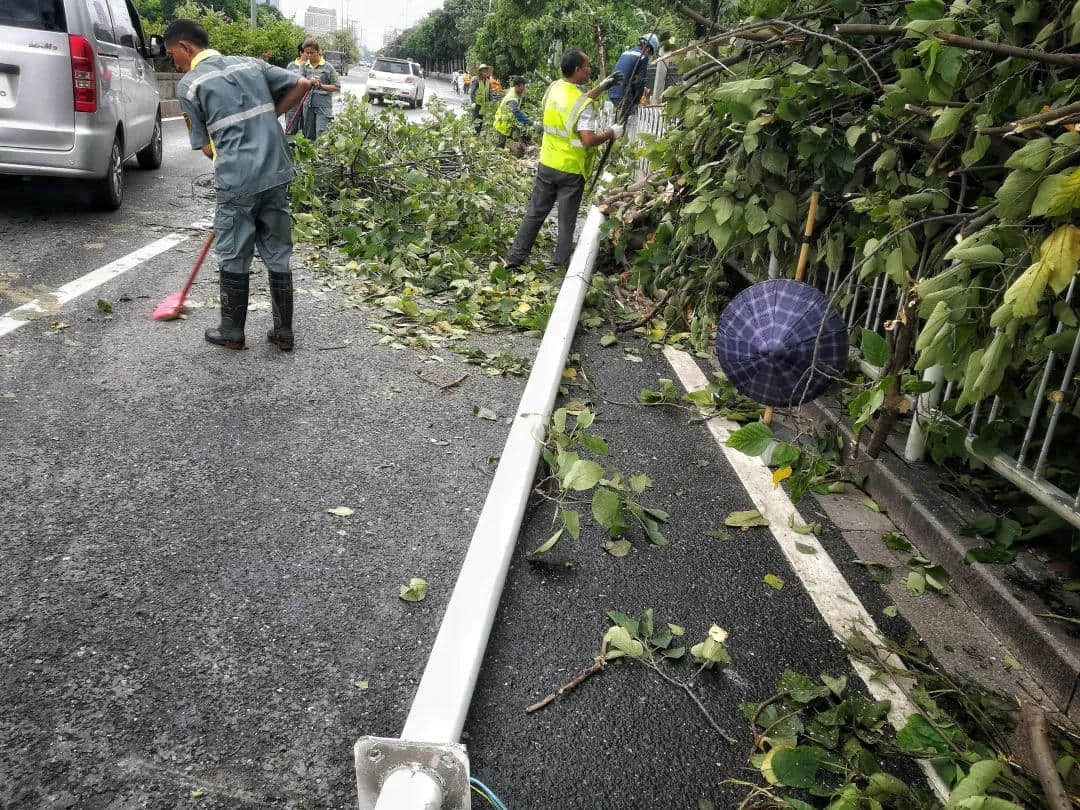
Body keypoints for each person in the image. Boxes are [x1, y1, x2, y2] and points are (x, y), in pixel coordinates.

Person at [166, 18, 315, 351]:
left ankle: (232, 332)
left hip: (238, 178)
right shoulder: (251, 64)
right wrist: (266, 121)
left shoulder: (190, 85)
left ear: (186, 47)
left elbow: (205, 146)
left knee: (234, 253)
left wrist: (232, 158)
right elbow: (303, 84)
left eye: (172, 55)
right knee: (278, 251)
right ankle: (284, 333)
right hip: (276, 170)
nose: (173, 63)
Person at [503, 50, 624, 270]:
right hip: (571, 170)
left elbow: (574, 103)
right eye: (587, 66)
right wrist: (611, 133)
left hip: (547, 162)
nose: (590, 70)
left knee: (535, 213)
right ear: (577, 70)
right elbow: (587, 140)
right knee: (566, 221)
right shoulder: (583, 105)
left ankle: (514, 258)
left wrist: (602, 87)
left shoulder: (553, 89)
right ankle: (559, 265)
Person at [607, 33, 659, 122]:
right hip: (624, 96)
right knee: (626, 125)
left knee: (616, 122)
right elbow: (639, 81)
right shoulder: (643, 56)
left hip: (612, 91)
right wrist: (636, 101)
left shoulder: (626, 52)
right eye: (650, 53)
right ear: (649, 48)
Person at [299, 38, 340, 140]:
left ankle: (321, 156)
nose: (309, 55)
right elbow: (299, 83)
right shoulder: (303, 66)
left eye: (311, 53)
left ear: (318, 51)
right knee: (308, 136)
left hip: (324, 107)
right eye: (306, 53)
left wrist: (321, 85)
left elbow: (336, 87)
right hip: (307, 106)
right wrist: (309, 82)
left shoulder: (328, 67)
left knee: (322, 136)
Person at [493, 76, 534, 148]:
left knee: (514, 138)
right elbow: (517, 114)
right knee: (501, 144)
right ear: (517, 86)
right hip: (502, 123)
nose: (524, 88)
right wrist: (530, 122)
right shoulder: (512, 99)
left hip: (508, 122)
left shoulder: (515, 91)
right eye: (523, 86)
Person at [283, 43, 305, 136]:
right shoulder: (291, 66)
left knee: (305, 130)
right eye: (307, 52)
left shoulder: (311, 66)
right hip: (293, 102)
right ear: (301, 52)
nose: (310, 55)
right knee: (291, 128)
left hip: (307, 102)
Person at [468, 64, 492, 135]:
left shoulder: (488, 81)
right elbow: (472, 92)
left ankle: (477, 134)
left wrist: (491, 103)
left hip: (484, 104)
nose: (485, 73)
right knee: (475, 119)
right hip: (477, 104)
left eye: (486, 71)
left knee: (481, 120)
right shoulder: (476, 79)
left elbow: (490, 93)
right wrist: (473, 102)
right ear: (480, 72)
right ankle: (473, 134)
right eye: (483, 71)